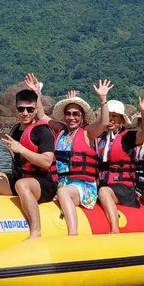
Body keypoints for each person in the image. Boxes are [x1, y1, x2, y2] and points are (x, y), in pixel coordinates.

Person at [31, 78, 112, 236]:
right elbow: (40, 115)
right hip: (60, 184)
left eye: (76, 114)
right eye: (68, 113)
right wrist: (36, 93)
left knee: (63, 193)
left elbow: (104, 122)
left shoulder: (87, 133)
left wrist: (103, 100)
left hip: (83, 188)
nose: (71, 117)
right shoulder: (60, 130)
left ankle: (73, 234)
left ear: (82, 117)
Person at [0, 86, 57, 239]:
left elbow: (47, 162)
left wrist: (21, 149)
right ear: (15, 109)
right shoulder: (15, 130)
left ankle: (36, 232)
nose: (25, 113)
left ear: (36, 109)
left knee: (22, 185)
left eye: (30, 110)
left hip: (44, 184)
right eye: (21, 109)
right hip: (21, 179)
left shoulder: (42, 131)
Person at [96, 93, 144, 233]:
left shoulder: (127, 137)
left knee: (103, 191)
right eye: (108, 115)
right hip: (103, 183)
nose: (111, 119)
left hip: (122, 188)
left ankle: (115, 229)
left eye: (115, 116)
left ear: (121, 119)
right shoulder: (98, 137)